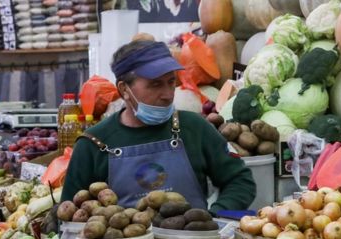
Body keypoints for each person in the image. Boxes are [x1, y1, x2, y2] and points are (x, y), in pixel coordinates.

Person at [62, 40, 256, 213]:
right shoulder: (93, 144)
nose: (168, 94)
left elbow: (240, 180)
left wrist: (215, 217)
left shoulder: (195, 128)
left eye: (171, 82)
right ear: (124, 89)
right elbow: (69, 214)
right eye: (155, 84)